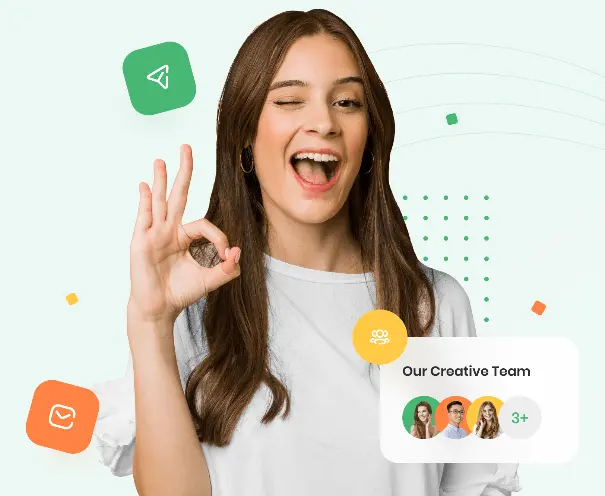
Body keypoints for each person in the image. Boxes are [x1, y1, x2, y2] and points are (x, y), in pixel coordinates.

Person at [91, 9, 520, 496]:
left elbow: (471, 487)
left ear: (369, 142)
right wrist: (151, 323)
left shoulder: (434, 304)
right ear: (245, 141)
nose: (324, 122)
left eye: (346, 102)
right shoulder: (191, 300)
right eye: (291, 100)